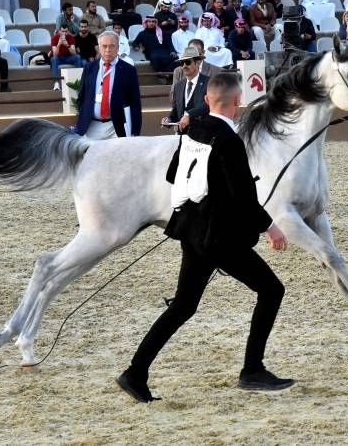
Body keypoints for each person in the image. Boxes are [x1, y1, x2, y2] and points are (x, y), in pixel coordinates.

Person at [116, 72, 291, 403]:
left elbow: (173, 174)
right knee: (271, 290)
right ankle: (252, 370)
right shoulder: (229, 140)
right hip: (218, 239)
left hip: (192, 232)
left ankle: (135, 372)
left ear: (208, 100)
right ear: (237, 102)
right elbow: (243, 197)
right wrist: (271, 226)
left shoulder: (192, 129)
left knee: (183, 306)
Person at [73, 31, 141, 140]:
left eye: (112, 46)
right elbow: (82, 97)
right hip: (92, 127)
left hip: (116, 127)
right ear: (99, 48)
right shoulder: (89, 68)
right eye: (104, 46)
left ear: (118, 47)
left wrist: (135, 131)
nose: (108, 50)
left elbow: (135, 102)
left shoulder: (128, 70)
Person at [162, 46, 209, 133]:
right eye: (182, 63)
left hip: (203, 134)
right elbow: (176, 110)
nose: (184, 66)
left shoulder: (209, 82)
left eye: (187, 62)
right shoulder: (178, 86)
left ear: (197, 63)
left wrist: (189, 115)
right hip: (183, 136)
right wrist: (169, 119)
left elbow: (209, 105)